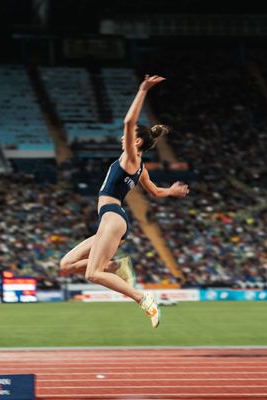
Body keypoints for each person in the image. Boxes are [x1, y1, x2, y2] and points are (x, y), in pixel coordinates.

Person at [59, 75, 189, 328]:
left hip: (113, 217)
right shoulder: (141, 169)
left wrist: (142, 90)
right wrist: (171, 191)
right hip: (111, 219)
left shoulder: (131, 158)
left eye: (127, 139)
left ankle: (143, 298)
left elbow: (129, 121)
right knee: (66, 265)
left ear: (137, 142)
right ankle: (117, 266)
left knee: (93, 273)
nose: (122, 140)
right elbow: (155, 193)